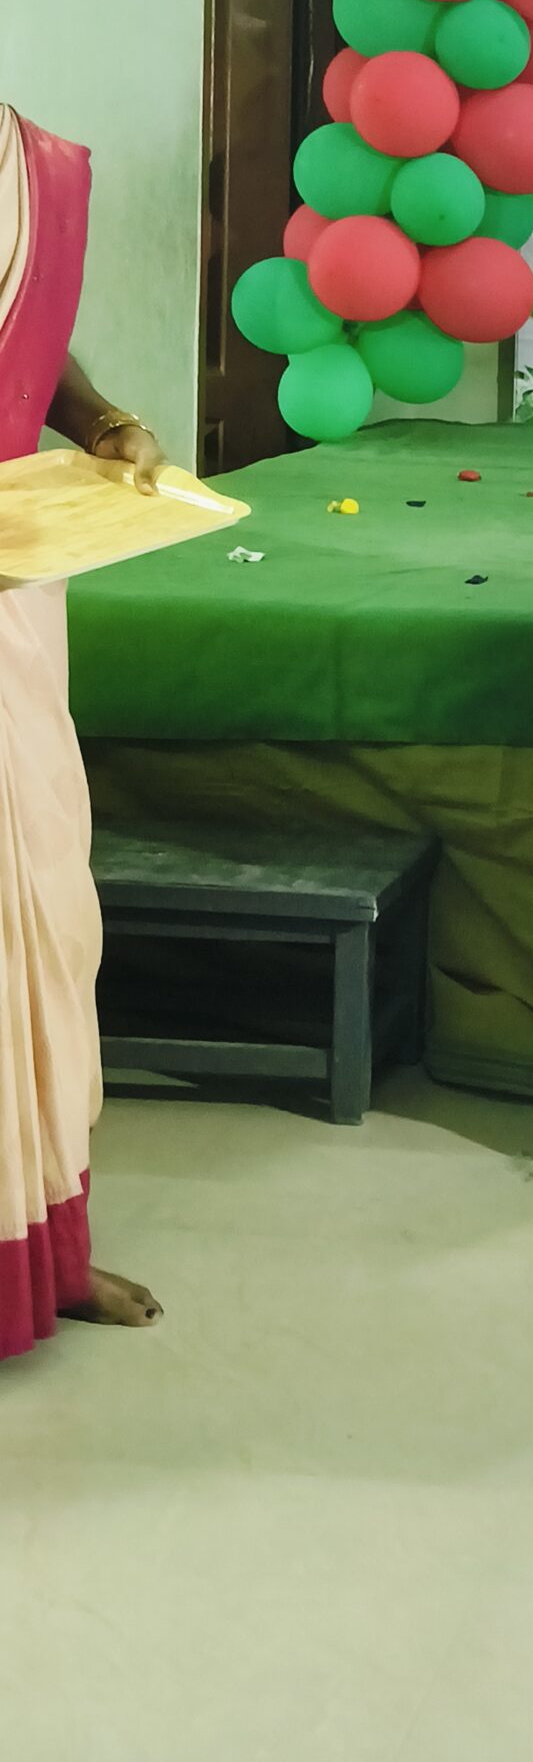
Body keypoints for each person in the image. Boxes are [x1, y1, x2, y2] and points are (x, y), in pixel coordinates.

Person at [0, 100, 163, 1360]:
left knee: (36, 914)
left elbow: (26, 346)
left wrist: (98, 419)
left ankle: (36, 1242)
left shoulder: (32, 162)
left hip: (13, 587)